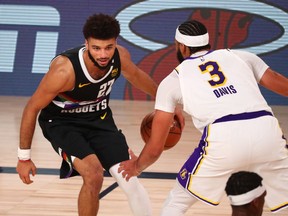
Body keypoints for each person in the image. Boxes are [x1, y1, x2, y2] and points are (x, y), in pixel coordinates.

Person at [118, 19, 288, 215]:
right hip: (267, 131)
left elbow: (156, 147)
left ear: (180, 46)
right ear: (208, 42)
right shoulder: (241, 56)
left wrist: (137, 167)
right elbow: (280, 83)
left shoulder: (173, 80)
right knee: (249, 197)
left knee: (177, 203)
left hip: (224, 138)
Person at [16, 13, 160, 216]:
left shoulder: (120, 57)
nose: (103, 54)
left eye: (108, 47)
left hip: (99, 120)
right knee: (93, 175)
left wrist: (166, 102)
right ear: (86, 44)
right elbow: (31, 108)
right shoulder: (64, 71)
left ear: (115, 43)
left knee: (129, 178)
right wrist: (24, 158)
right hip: (62, 123)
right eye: (96, 48)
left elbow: (137, 76)